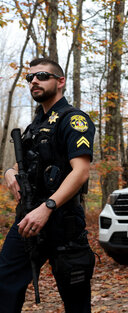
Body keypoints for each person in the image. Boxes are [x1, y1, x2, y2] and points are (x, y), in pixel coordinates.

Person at [0, 58, 96, 312]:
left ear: (60, 81)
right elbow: (24, 166)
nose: (34, 81)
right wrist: (9, 172)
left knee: (75, 299)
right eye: (30, 78)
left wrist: (48, 206)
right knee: (5, 284)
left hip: (62, 221)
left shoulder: (73, 119)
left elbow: (81, 171)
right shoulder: (36, 125)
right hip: (28, 218)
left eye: (42, 76)